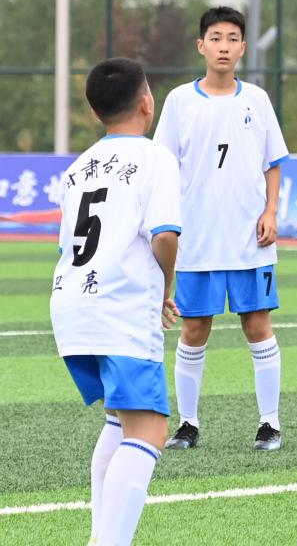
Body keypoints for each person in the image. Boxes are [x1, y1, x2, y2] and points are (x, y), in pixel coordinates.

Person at [51, 58, 182, 545]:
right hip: (120, 305)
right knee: (149, 431)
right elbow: (164, 236)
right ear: (147, 102)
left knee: (118, 418)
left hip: (72, 302)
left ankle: (99, 537)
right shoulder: (155, 158)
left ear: (94, 112)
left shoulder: (77, 168)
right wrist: (167, 288)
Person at [154, 7, 289, 451]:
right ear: (201, 46)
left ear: (243, 47)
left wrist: (271, 211)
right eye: (215, 38)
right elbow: (163, 167)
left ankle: (269, 424)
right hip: (197, 239)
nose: (224, 47)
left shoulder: (257, 99)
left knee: (257, 324)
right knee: (194, 328)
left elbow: (273, 162)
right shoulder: (179, 101)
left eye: (232, 38)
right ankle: (187, 424)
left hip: (250, 238)